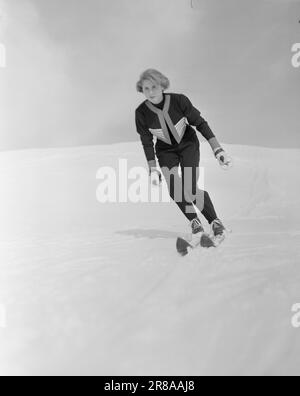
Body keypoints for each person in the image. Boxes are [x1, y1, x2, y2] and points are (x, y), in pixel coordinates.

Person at [135, 69, 230, 246]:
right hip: (165, 151)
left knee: (190, 188)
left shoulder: (179, 100)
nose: (150, 92)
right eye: (146, 88)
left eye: (154, 87)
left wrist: (218, 150)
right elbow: (147, 141)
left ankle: (216, 223)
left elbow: (200, 123)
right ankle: (195, 224)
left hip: (188, 144)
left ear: (162, 85)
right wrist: (152, 168)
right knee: (174, 189)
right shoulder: (141, 113)